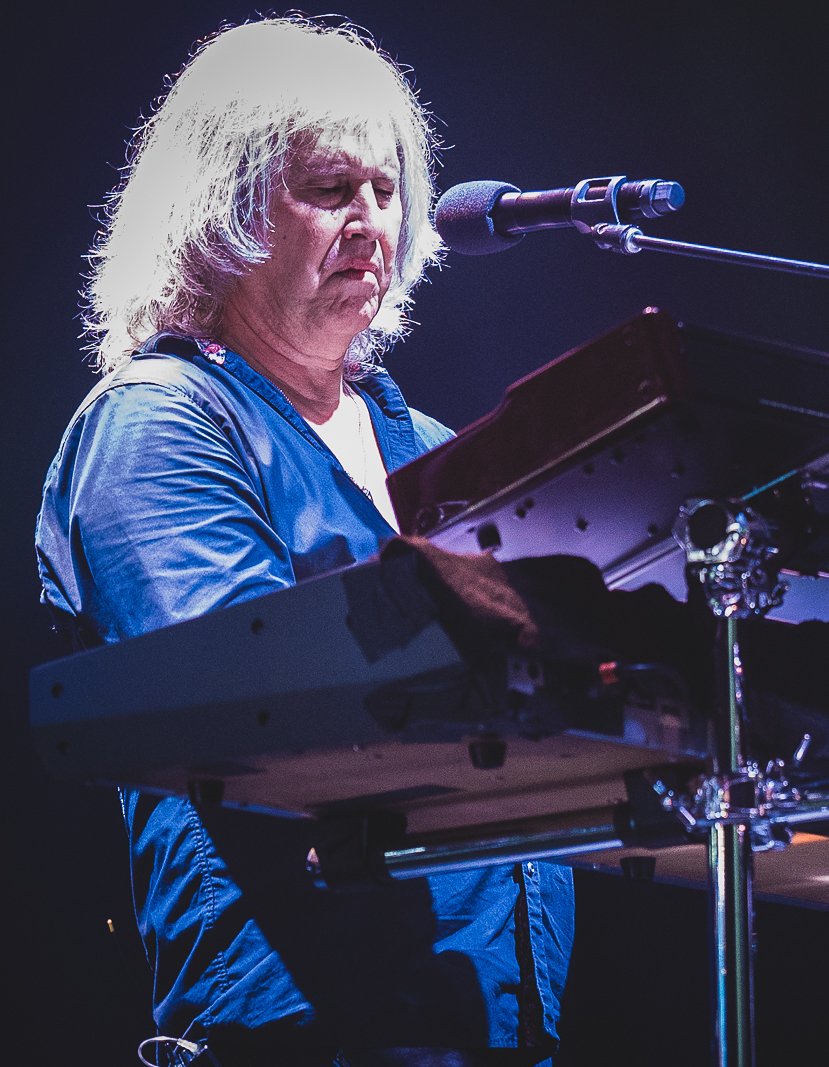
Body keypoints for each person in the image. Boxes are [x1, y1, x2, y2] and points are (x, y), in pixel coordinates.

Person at [35, 18, 572, 1066]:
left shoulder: (433, 447)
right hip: (300, 1021)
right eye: (331, 189)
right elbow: (252, 699)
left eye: (384, 188)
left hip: (500, 1019)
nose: (371, 219)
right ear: (224, 213)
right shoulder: (162, 419)